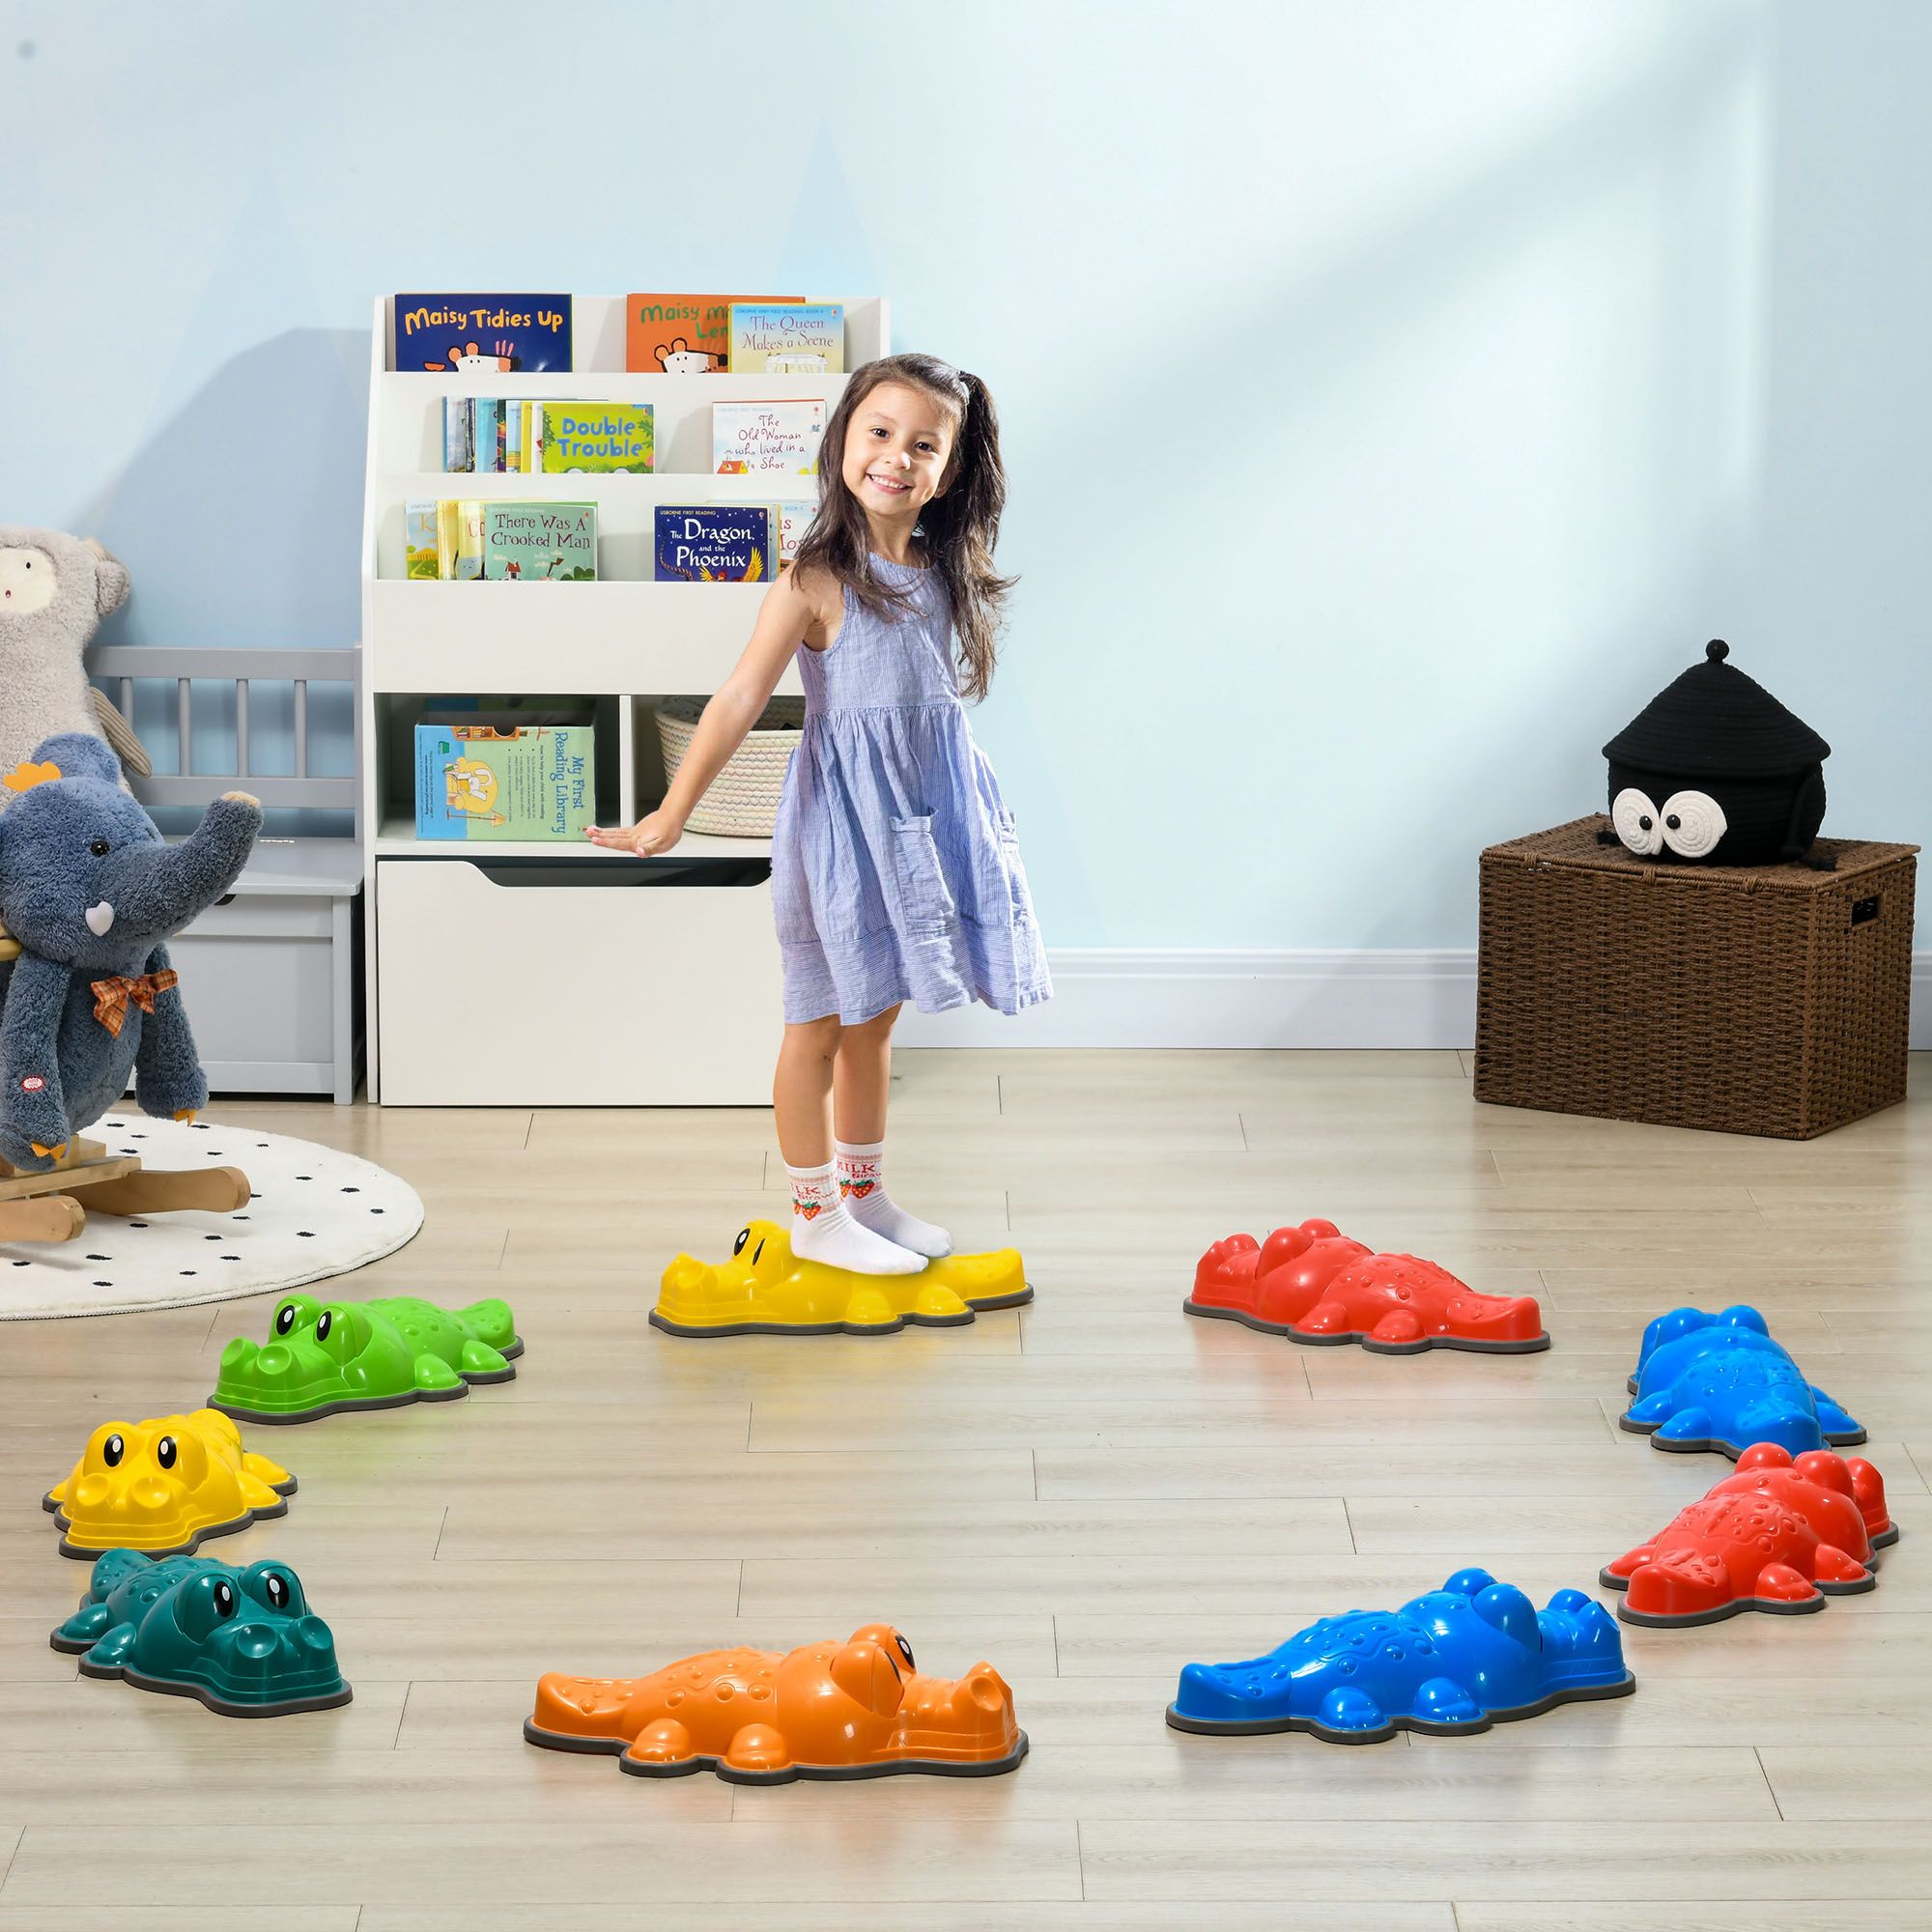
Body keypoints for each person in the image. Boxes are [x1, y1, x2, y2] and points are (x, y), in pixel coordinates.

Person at [590, 354, 1048, 1271]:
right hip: (844, 829)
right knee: (820, 1024)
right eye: (879, 432)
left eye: (923, 445)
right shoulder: (813, 581)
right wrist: (672, 810)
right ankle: (814, 1214)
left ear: (950, 469)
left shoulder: (941, 570)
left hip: (918, 821)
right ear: (843, 439)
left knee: (876, 1016)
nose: (896, 457)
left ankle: (864, 1198)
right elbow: (738, 699)